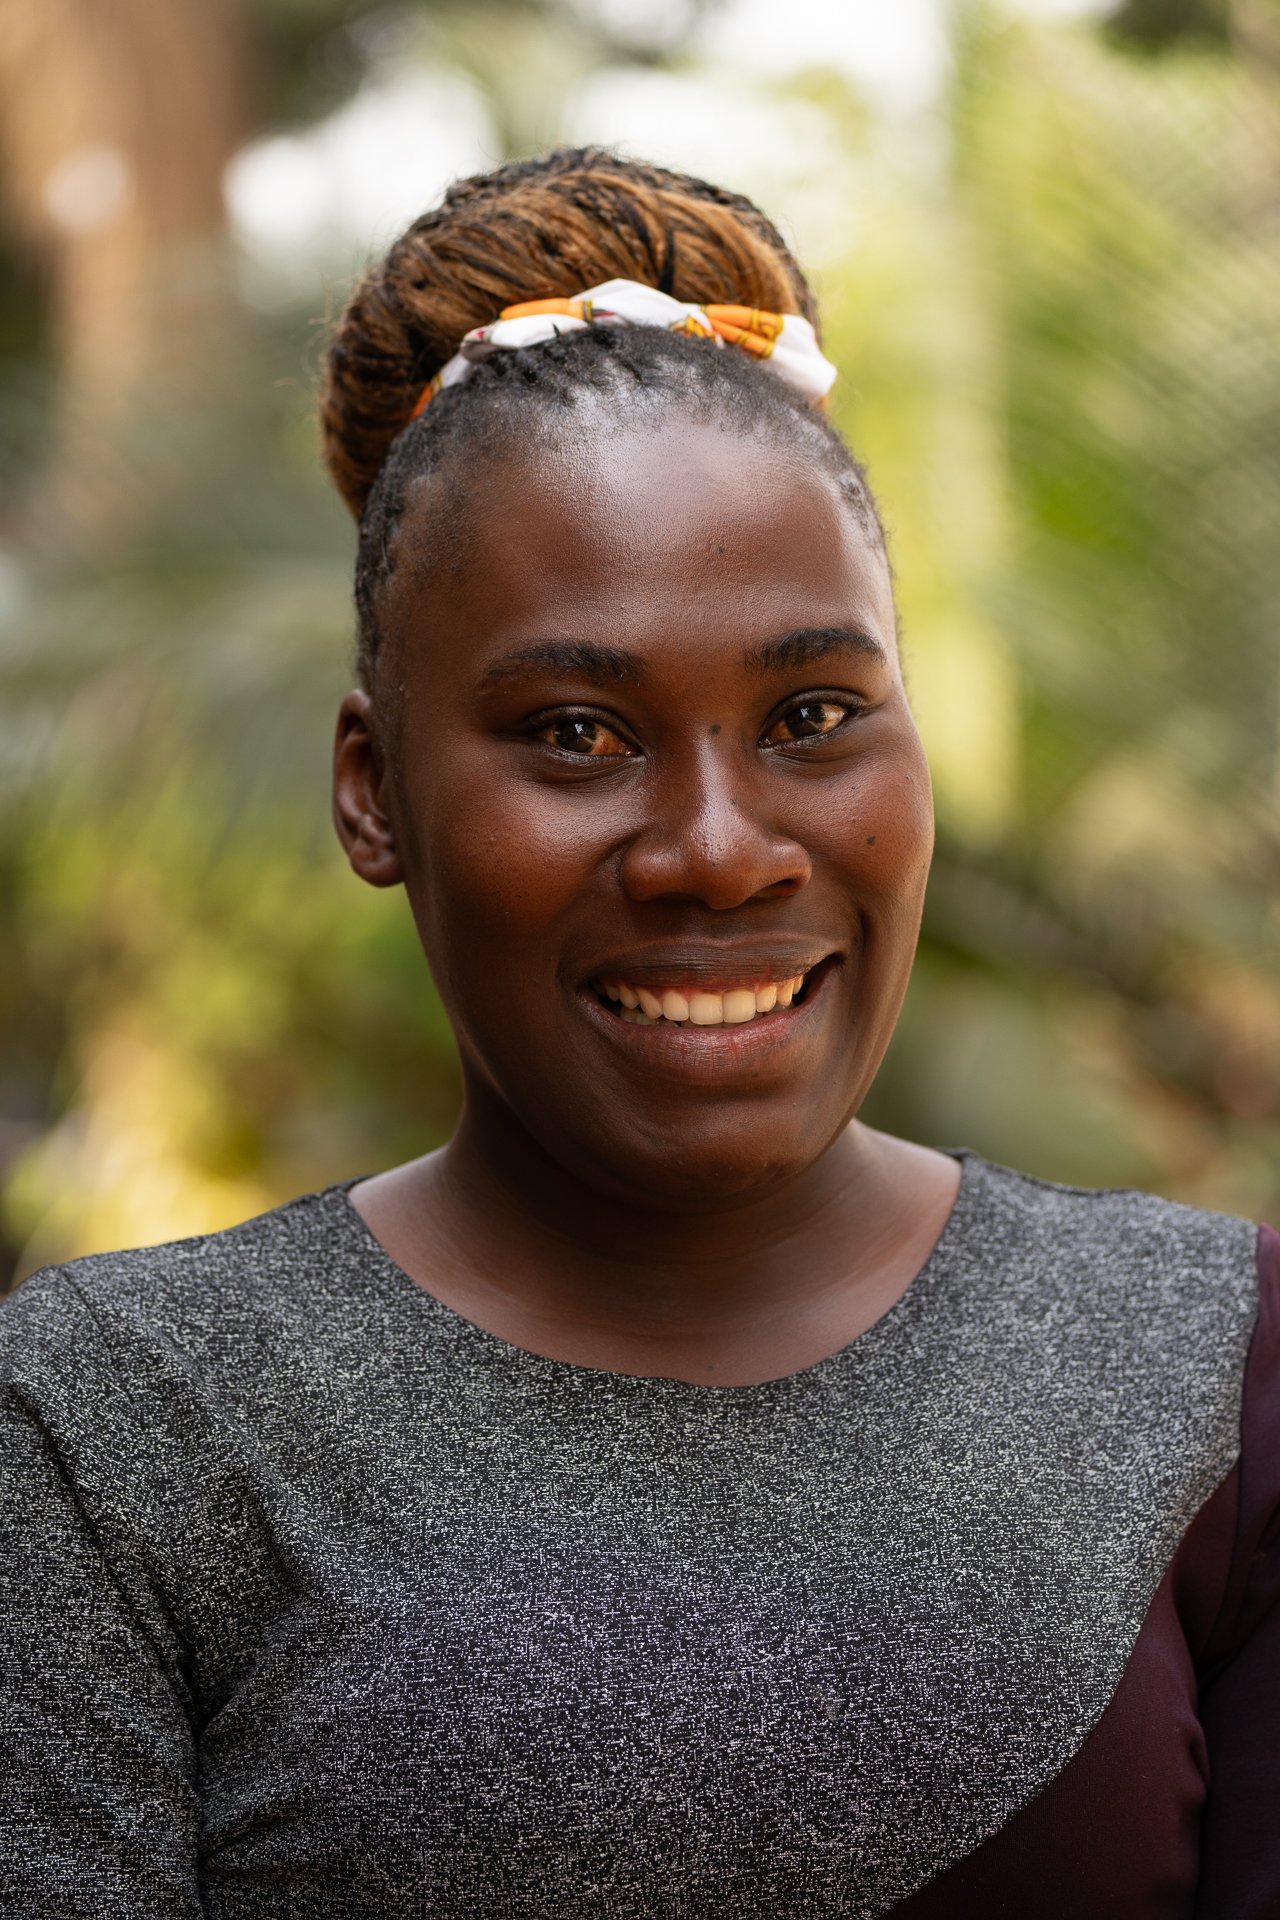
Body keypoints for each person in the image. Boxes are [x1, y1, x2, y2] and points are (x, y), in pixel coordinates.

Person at [0, 147, 1275, 1920]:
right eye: (578, 736)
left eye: (814, 714)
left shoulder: (1220, 1372)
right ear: (374, 793)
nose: (719, 851)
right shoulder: (112, 1431)